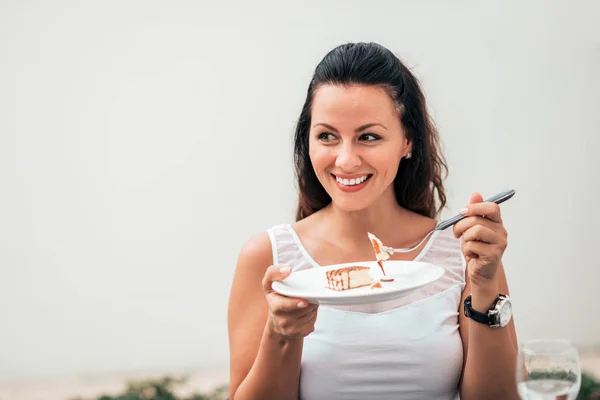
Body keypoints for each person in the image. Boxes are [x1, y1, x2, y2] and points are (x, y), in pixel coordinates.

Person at [227, 42, 518, 400]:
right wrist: (281, 334)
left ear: (407, 140)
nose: (346, 160)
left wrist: (486, 285)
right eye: (327, 136)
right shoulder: (269, 257)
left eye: (369, 136)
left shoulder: (463, 253)